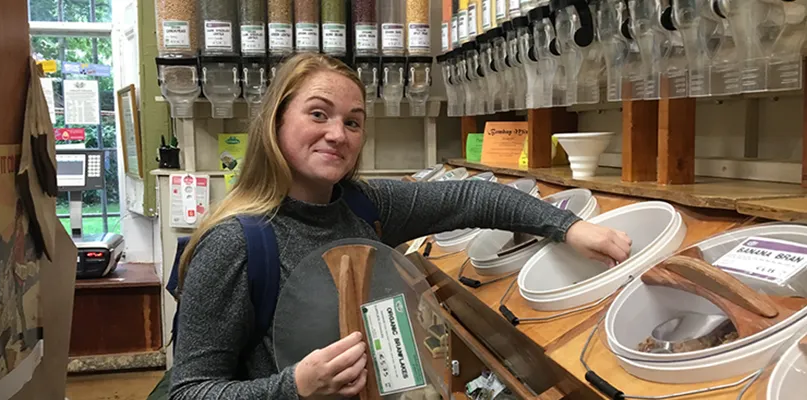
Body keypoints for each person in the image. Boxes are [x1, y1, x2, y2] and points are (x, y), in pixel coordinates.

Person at [167, 53, 632, 400]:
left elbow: (470, 196)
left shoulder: (364, 205)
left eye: (353, 121)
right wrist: (295, 386)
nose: (338, 133)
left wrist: (568, 228)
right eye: (318, 113)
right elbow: (190, 390)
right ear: (276, 120)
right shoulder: (235, 243)